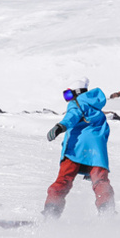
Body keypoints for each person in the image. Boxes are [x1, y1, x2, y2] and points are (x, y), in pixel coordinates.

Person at [42, 77, 115, 218]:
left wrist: (60, 126)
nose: (68, 99)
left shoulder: (77, 103)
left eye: (68, 94)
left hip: (75, 149)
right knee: (101, 182)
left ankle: (51, 212)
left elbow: (72, 115)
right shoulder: (98, 111)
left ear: (77, 92)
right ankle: (107, 210)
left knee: (64, 179)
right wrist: (90, 164)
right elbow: (104, 134)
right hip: (97, 153)